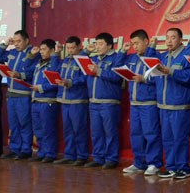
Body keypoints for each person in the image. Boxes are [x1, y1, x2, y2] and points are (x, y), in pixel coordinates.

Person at [149, 27, 190, 179]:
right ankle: (170, 167)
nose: (169, 41)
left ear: (181, 39)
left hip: (179, 105)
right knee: (168, 139)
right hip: (163, 105)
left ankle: (183, 168)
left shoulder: (186, 56)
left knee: (180, 138)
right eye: (167, 38)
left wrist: (171, 71)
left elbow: (189, 77)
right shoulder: (163, 57)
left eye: (173, 37)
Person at [122, 29, 163, 176]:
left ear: (146, 42)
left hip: (149, 102)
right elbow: (118, 66)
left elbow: (158, 76)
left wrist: (144, 79)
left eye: (137, 43)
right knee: (136, 134)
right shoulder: (132, 58)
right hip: (134, 103)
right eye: (133, 44)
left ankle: (153, 163)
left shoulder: (155, 56)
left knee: (151, 134)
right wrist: (123, 52)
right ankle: (139, 162)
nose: (135, 46)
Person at [0, 30, 36, 159]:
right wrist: (6, 44)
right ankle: (14, 149)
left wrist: (19, 75)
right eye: (15, 41)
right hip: (11, 94)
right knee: (13, 124)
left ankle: (25, 150)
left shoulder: (33, 53)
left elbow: (32, 71)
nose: (16, 44)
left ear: (27, 40)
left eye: (19, 41)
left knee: (24, 123)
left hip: (24, 94)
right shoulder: (12, 52)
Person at [87, 32, 125, 169]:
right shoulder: (93, 59)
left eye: (100, 44)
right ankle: (98, 157)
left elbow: (117, 77)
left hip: (109, 102)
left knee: (110, 132)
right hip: (93, 101)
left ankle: (111, 158)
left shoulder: (116, 58)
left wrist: (99, 71)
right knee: (96, 132)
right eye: (96, 44)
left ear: (109, 45)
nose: (97, 47)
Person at [53, 36, 91, 166]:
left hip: (77, 100)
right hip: (65, 100)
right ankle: (69, 155)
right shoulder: (65, 60)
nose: (70, 50)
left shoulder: (84, 60)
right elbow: (54, 70)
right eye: (68, 48)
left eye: (73, 48)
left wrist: (70, 82)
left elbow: (86, 78)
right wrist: (56, 54)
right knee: (68, 130)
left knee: (79, 129)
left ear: (80, 46)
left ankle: (81, 156)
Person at [29, 39, 61, 163]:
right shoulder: (38, 64)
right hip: (36, 101)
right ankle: (41, 152)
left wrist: (41, 88)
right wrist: (31, 55)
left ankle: (50, 153)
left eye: (44, 49)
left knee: (48, 129)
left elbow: (55, 82)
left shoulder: (55, 64)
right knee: (38, 130)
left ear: (52, 50)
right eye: (41, 50)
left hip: (48, 101)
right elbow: (26, 68)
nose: (41, 52)